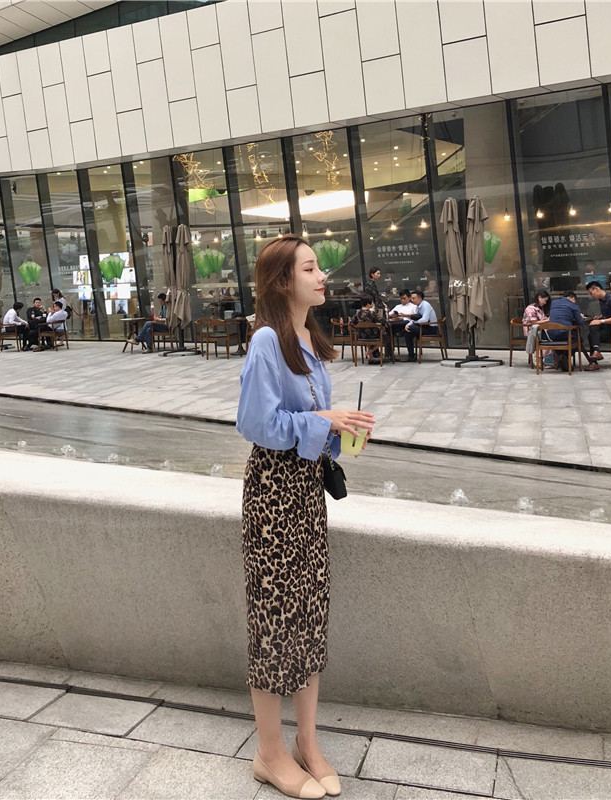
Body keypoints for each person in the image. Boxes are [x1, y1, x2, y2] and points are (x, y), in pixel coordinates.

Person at [236, 234, 375, 800]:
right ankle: (269, 753)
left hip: (306, 492)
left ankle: (307, 743)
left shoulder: (309, 341)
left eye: (319, 268)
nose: (323, 277)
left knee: (310, 614)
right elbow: (256, 424)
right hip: (272, 495)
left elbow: (311, 425)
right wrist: (325, 419)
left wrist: (342, 432)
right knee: (274, 620)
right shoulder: (266, 340)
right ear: (282, 280)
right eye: (311, 268)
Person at [584, 281, 611, 371]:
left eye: (591, 293)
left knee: (592, 335)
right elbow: (608, 314)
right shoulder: (601, 300)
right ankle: (596, 352)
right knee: (592, 327)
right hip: (606, 327)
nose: (592, 296)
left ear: (597, 289)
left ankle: (594, 361)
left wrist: (601, 321)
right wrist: (600, 317)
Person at [542, 290, 585, 371]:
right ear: (573, 298)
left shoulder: (554, 303)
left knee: (559, 343)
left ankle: (562, 356)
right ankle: (566, 356)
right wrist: (581, 316)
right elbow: (580, 322)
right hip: (565, 332)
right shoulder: (573, 305)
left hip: (551, 333)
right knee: (579, 340)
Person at [402, 289, 438, 362]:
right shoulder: (417, 306)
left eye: (414, 298)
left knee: (409, 329)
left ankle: (411, 355)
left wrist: (414, 323)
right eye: (411, 298)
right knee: (407, 332)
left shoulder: (425, 305)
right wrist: (408, 324)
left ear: (420, 298)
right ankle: (411, 356)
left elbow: (425, 319)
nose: (412, 300)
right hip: (423, 326)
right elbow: (416, 318)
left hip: (431, 327)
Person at [350, 294, 385, 363]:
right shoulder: (372, 313)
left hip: (361, 336)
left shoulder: (357, 312)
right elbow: (381, 321)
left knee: (368, 337)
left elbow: (352, 323)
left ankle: (371, 358)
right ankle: (371, 351)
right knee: (386, 336)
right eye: (372, 302)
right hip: (373, 335)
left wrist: (357, 329)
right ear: (369, 304)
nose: (373, 303)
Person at [522, 290, 552, 365]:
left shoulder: (540, 308)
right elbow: (534, 322)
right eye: (545, 300)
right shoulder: (530, 308)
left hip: (540, 328)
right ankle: (539, 360)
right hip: (532, 330)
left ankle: (549, 359)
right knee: (547, 337)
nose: (545, 303)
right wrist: (547, 320)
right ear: (539, 297)